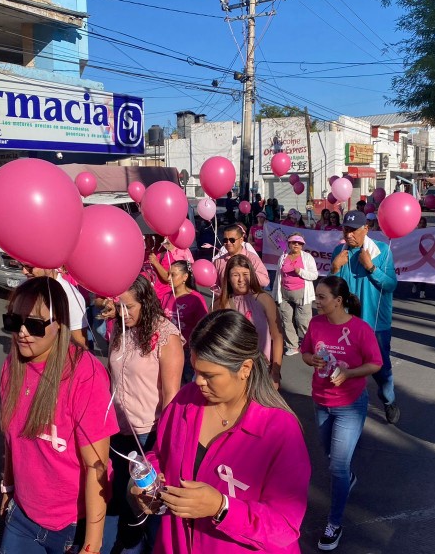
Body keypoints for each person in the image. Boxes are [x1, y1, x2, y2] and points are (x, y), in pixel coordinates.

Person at [131, 309, 310, 554]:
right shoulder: (185, 401)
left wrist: (221, 507)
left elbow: (284, 526)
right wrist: (148, 482)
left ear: (245, 368)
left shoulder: (280, 430)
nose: (197, 381)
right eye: (195, 370)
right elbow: (160, 454)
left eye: (209, 375)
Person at [0, 277, 118, 554]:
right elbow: (10, 438)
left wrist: (91, 545)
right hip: (23, 514)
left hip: (72, 523)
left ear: (61, 323)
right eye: (14, 322)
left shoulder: (83, 374)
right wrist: (8, 484)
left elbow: (95, 466)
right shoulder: (12, 366)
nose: (23, 333)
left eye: (36, 324)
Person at [102, 275, 184, 553]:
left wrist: (165, 443)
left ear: (146, 302)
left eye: (129, 307)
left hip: (149, 433)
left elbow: (172, 396)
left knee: (148, 504)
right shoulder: (120, 327)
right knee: (119, 497)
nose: (123, 314)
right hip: (117, 429)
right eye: (119, 307)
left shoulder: (166, 335)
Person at [300, 276, 382, 551]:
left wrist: (348, 373)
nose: (317, 301)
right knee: (332, 457)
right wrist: (311, 359)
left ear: (338, 300)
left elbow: (375, 363)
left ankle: (334, 523)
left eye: (322, 297)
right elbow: (305, 352)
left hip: (350, 405)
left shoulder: (360, 329)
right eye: (317, 296)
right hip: (321, 401)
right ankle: (348, 475)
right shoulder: (316, 323)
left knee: (336, 467)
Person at [330, 210, 400, 424]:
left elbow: (390, 285)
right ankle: (349, 413)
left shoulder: (382, 251)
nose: (348, 234)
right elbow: (330, 290)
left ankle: (388, 401)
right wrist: (335, 267)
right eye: (345, 229)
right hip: (346, 324)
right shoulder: (338, 252)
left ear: (366, 229)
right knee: (345, 367)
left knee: (381, 368)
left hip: (376, 324)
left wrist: (371, 267)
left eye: (353, 230)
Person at [216, 255, 284, 389]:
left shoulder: (264, 300)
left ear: (251, 275)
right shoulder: (220, 304)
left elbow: (277, 337)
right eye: (235, 275)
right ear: (228, 278)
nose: (241, 280)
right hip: (231, 372)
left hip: (261, 370)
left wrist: (275, 372)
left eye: (245, 274)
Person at [160, 260, 209, 382]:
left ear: (185, 277)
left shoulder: (196, 299)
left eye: (173, 274)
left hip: (187, 351)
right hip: (168, 349)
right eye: (168, 274)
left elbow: (204, 326)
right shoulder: (166, 296)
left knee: (187, 383)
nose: (169, 278)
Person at [20, 264, 90, 349]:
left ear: (49, 265)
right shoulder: (23, 287)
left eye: (30, 267)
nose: (24, 271)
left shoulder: (70, 296)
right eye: (21, 266)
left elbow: (80, 343)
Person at [272, 233, 318, 357]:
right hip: (285, 294)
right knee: (286, 320)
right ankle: (292, 345)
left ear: (302, 245)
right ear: (289, 244)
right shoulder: (283, 257)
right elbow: (278, 277)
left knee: (303, 321)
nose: (296, 244)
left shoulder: (307, 258)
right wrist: (275, 294)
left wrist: (301, 272)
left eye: (299, 243)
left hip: (302, 294)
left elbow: (314, 275)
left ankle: (312, 344)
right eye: (293, 242)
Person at [212, 224, 269, 292]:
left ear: (241, 240)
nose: (228, 243)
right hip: (227, 301)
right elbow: (214, 285)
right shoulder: (219, 261)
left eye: (232, 240)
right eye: (225, 240)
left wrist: (246, 274)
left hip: (249, 301)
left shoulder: (252, 258)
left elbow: (265, 281)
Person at [410, 217, 428, 299]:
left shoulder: (429, 232)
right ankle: (415, 283)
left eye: (423, 223)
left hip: (426, 257)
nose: (422, 224)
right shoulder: (414, 232)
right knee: (417, 272)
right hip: (416, 256)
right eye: (420, 222)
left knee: (424, 273)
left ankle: (422, 291)